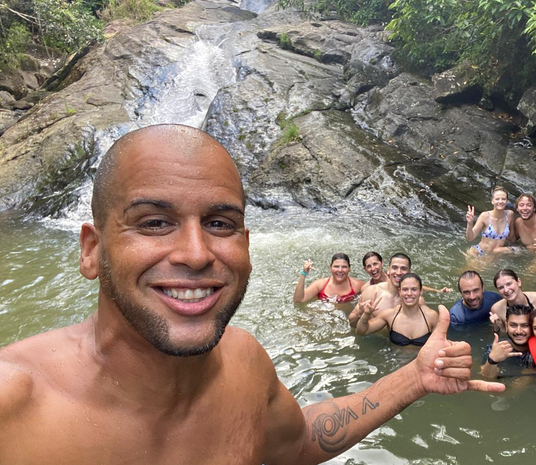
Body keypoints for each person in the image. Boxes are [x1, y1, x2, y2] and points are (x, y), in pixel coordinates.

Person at [0, 125, 504, 465]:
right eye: (154, 223)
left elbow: (299, 444)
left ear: (245, 244)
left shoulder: (244, 362)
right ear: (91, 251)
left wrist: (414, 377)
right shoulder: (14, 408)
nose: (196, 253)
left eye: (220, 223)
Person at [355, 273, 439, 347]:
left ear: (420, 291)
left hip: (422, 362)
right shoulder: (390, 315)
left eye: (414, 289)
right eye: (405, 289)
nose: (409, 293)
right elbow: (362, 332)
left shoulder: (431, 316)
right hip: (395, 361)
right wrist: (366, 315)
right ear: (400, 292)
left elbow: (439, 343)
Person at [348, 253, 413, 327]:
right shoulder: (369, 290)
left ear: (382, 263)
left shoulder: (410, 291)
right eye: (369, 266)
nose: (373, 268)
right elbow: (353, 323)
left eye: (375, 264)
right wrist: (361, 313)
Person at [488, 268, 536, 337]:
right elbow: (504, 336)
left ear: (518, 282)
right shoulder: (497, 309)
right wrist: (498, 327)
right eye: (501, 288)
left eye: (509, 284)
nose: (506, 290)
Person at [465, 186, 517, 256]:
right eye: (497, 199)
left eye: (503, 199)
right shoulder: (485, 216)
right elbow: (470, 238)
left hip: (497, 254)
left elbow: (512, 238)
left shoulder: (510, 215)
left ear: (507, 201)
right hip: (480, 253)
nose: (500, 201)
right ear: (492, 201)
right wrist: (470, 223)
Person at [294, 253, 366, 303]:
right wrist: (304, 273)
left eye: (344, 267)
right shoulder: (320, 285)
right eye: (336, 266)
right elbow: (299, 300)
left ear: (349, 269)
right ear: (330, 268)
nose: (340, 270)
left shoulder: (358, 286)